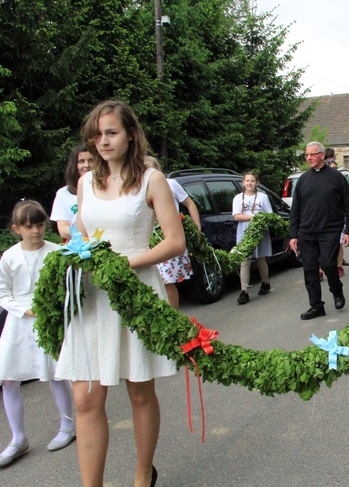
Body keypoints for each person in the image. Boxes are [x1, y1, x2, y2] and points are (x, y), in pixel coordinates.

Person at [55, 100, 185, 487]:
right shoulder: (85, 182)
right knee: (86, 399)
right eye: (97, 134)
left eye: (111, 132)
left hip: (135, 292)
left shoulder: (151, 179)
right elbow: (81, 236)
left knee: (139, 391)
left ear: (131, 134)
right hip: (91, 297)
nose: (103, 141)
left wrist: (125, 264)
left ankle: (144, 473)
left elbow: (175, 242)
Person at [0, 201, 76, 468]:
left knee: (56, 373)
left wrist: (51, 307)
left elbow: (67, 287)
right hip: (19, 323)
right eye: (29, 226)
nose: (36, 231)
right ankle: (18, 437)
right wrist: (26, 309)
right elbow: (3, 294)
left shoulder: (57, 252)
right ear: (17, 228)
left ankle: (68, 426)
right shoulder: (9, 257)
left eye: (40, 224)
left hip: (49, 319)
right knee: (9, 378)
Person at [289, 141, 349, 320]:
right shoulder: (303, 180)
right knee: (310, 269)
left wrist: (348, 230)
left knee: (327, 263)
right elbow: (295, 209)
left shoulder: (336, 177)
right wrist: (293, 235)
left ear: (322, 155)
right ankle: (316, 306)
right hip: (307, 232)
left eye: (312, 154)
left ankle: (337, 290)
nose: (309, 158)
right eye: (306, 155)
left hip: (330, 230)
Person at [144, 156, 201, 310]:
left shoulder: (170, 184)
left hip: (168, 237)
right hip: (150, 239)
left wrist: (196, 227)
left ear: (159, 171)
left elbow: (189, 203)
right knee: (154, 282)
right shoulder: (139, 188)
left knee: (167, 282)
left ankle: (172, 318)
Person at [232, 171, 273, 304]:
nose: (250, 183)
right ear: (243, 183)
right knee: (244, 261)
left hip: (259, 230)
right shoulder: (238, 198)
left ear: (257, 183)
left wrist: (260, 220)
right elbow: (237, 216)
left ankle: (265, 282)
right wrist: (253, 217)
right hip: (244, 231)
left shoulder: (262, 197)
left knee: (261, 259)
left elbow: (269, 214)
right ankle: (244, 291)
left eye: (252, 181)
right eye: (247, 181)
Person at [50, 144, 95, 240]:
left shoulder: (106, 190)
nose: (86, 165)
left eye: (91, 160)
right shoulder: (63, 193)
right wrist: (87, 234)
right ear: (75, 165)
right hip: (78, 247)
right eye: (81, 161)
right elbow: (63, 229)